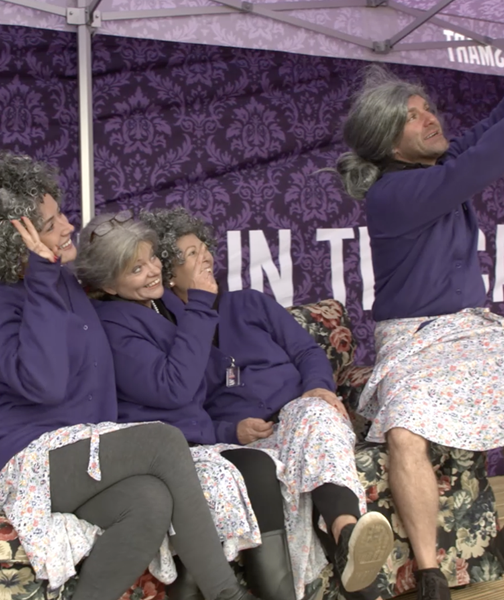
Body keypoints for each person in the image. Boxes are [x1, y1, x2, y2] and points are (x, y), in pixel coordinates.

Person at [334, 12, 504, 600]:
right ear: (388, 143)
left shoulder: (436, 163)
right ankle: (430, 576)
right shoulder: (394, 194)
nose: (430, 119)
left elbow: (496, 126)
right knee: (404, 435)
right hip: (415, 335)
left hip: (473, 328)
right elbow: (490, 157)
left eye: (427, 109)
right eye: (412, 118)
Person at [77, 206, 394, 600]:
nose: (205, 256)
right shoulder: (170, 323)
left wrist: (317, 387)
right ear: (174, 276)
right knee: (270, 468)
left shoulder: (244, 303)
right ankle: (343, 562)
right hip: (234, 441)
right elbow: (185, 400)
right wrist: (232, 429)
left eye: (203, 248)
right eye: (189, 255)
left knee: (315, 418)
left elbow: (307, 353)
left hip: (295, 416)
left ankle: (348, 533)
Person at [0, 152, 263, 600]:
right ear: (12, 239)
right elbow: (45, 383)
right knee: (162, 440)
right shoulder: (14, 298)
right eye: (49, 224)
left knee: (148, 501)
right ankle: (227, 595)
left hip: (84, 449)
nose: (66, 226)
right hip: (31, 462)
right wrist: (41, 277)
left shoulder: (63, 281)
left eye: (60, 213)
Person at [75, 211, 302, 600]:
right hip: (161, 456)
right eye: (136, 269)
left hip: (198, 440)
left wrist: (228, 430)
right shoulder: (113, 325)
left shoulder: (156, 308)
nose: (152, 272)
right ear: (109, 285)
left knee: (260, 467)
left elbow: (204, 391)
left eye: (153, 259)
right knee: (247, 474)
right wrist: (199, 304)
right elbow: (173, 391)